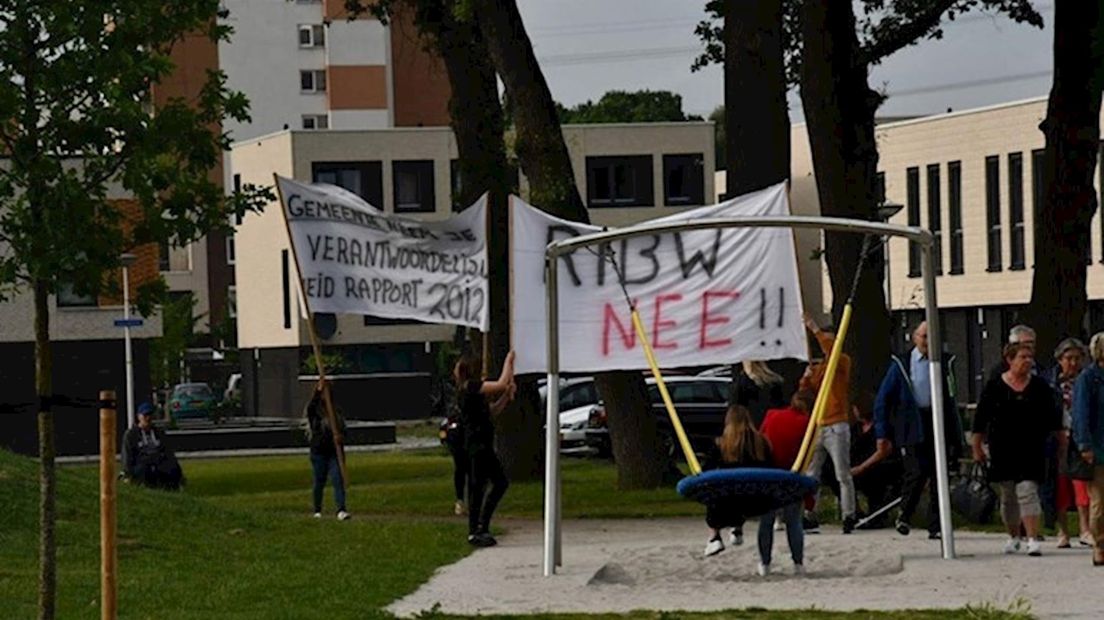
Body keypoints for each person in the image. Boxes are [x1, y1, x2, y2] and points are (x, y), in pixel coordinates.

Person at [873, 321, 962, 539]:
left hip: (937, 420)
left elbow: (951, 397)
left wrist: (956, 434)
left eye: (931, 337)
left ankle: (936, 525)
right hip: (912, 423)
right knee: (917, 471)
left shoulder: (944, 362)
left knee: (938, 474)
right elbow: (883, 399)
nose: (927, 341)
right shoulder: (902, 364)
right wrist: (882, 432)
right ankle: (905, 513)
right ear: (914, 338)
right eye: (923, 336)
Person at [972, 342, 1061, 556]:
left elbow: (1053, 418)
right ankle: (1013, 536)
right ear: (1010, 360)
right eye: (1023, 357)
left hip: (1032, 448)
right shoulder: (994, 387)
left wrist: (1060, 443)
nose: (1028, 361)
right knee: (1009, 495)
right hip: (1002, 448)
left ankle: (1032, 538)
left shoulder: (1040, 387)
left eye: (1030, 357)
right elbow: (980, 420)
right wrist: (977, 447)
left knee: (1028, 491)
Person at [800, 313, 857, 534]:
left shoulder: (842, 361)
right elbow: (807, 391)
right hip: (819, 424)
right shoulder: (822, 368)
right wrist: (806, 378)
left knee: (842, 473)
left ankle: (848, 514)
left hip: (837, 424)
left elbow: (832, 350)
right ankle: (810, 514)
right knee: (812, 474)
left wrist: (814, 329)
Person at [456, 349, 517, 547]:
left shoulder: (475, 393)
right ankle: (475, 530)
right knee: (481, 487)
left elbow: (492, 411)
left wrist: (506, 397)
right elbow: (499, 384)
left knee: (497, 483)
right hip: (476, 445)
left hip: (484, 444)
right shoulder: (470, 387)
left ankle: (482, 525)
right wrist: (508, 362)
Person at [702, 405, 773, 558]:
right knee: (740, 488)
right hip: (755, 499)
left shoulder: (721, 444)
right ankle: (737, 528)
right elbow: (770, 466)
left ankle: (714, 536)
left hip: (727, 500)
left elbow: (706, 470)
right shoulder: (761, 443)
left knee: (715, 490)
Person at [756, 391, 813, 576]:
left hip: (769, 472)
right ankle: (798, 563)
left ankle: (765, 563)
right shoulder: (807, 423)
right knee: (793, 521)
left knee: (766, 521)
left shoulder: (772, 415)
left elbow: (761, 438)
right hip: (790, 474)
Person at [1042, 338, 1092, 548]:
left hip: (1080, 436)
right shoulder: (1050, 382)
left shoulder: (1088, 380)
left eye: (1077, 358)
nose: (1073, 363)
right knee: (1060, 485)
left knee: (1082, 484)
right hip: (1057, 437)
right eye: (1068, 358)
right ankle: (1062, 531)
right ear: (1059, 360)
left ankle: (1085, 528)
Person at [1072, 332, 1104, 566]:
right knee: (1099, 501)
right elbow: (1081, 414)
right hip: (1098, 447)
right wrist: (1084, 444)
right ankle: (1100, 544)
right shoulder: (1088, 378)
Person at [848, 391, 903, 528]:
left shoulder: (881, 426)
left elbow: (884, 450)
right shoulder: (856, 429)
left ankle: (877, 515)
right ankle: (856, 511)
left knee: (874, 477)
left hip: (880, 465)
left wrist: (861, 467)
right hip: (859, 464)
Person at [304, 379, 350, 520]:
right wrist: (318, 391)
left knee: (337, 479)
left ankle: (341, 509)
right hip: (319, 452)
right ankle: (317, 510)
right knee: (319, 480)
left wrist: (340, 437)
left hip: (334, 452)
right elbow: (310, 408)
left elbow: (343, 430)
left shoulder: (336, 411)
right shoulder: (315, 411)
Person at [122, 402, 183, 490]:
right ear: (139, 416)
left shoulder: (159, 433)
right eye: (145, 415)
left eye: (150, 415)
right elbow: (127, 455)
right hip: (142, 463)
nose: (148, 418)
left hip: (158, 461)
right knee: (144, 470)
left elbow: (168, 451)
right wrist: (127, 472)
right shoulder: (131, 435)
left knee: (171, 467)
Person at [432, 373, 468, 516]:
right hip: (458, 435)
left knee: (463, 469)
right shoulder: (455, 392)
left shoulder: (463, 390)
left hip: (462, 434)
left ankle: (462, 501)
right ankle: (461, 501)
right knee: (461, 469)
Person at [729, 360, 786, 426]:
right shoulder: (774, 381)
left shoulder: (744, 383)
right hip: (771, 422)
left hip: (752, 423)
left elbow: (734, 402)